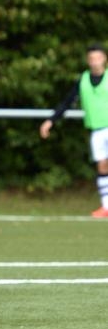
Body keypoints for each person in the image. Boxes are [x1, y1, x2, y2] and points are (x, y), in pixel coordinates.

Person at [40, 44, 108, 218]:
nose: (94, 62)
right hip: (97, 130)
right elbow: (67, 102)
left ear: (104, 59)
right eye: (91, 58)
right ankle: (106, 206)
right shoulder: (83, 80)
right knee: (102, 166)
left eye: (97, 58)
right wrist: (51, 121)